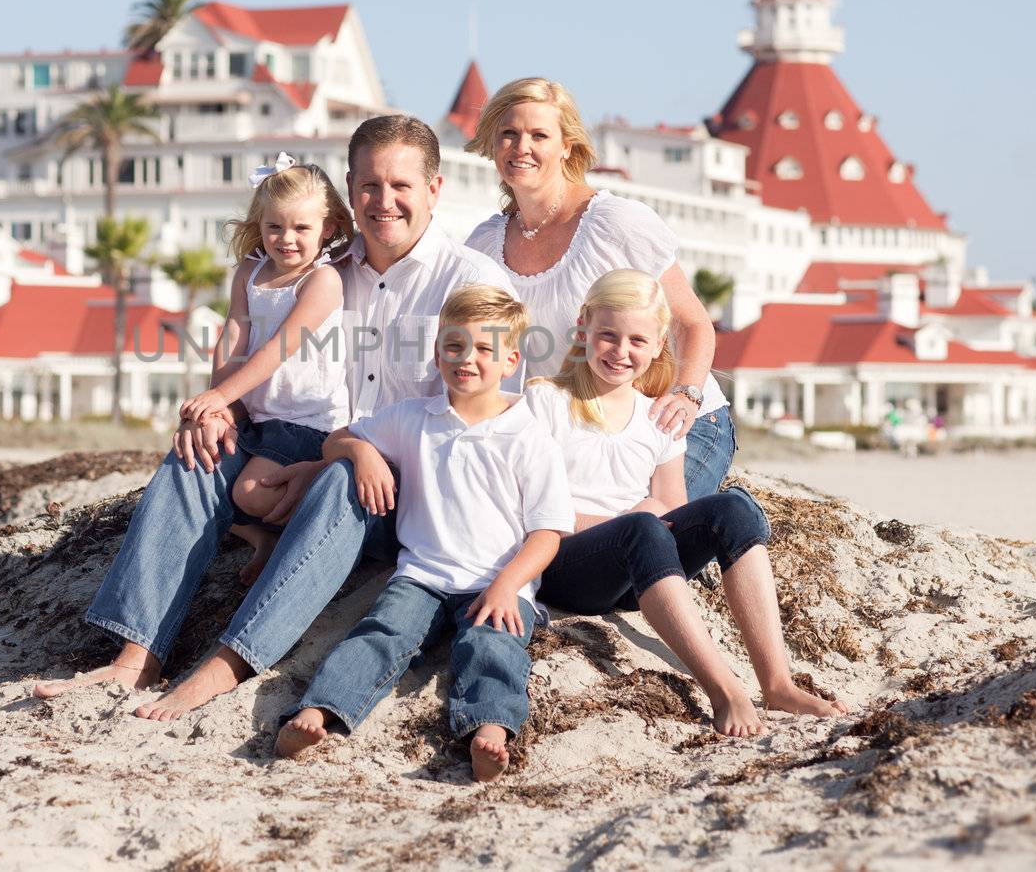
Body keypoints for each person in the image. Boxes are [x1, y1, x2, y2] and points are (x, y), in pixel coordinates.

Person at [33, 115, 511, 709]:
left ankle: (228, 662)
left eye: (400, 186)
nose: (383, 202)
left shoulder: (471, 281)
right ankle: (138, 655)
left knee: (342, 483)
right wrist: (217, 406)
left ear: (434, 189)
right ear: (348, 188)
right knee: (197, 455)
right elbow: (248, 334)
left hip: (396, 497)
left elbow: (479, 424)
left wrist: (336, 457)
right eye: (368, 186)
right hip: (298, 448)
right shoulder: (321, 268)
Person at [526, 268, 850, 736]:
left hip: (641, 572)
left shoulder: (656, 416)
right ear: (584, 331)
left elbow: (673, 512)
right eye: (608, 336)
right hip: (569, 567)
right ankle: (724, 691)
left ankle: (777, 683)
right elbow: (530, 510)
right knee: (641, 526)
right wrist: (628, 519)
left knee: (734, 507)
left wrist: (652, 520)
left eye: (638, 340)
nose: (621, 352)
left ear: (660, 345)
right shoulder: (546, 401)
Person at [275, 286, 572, 781]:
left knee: (492, 646)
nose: (466, 359)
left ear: (510, 360)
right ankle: (318, 712)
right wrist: (364, 452)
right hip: (422, 576)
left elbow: (547, 533)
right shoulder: (414, 417)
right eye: (454, 346)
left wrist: (506, 586)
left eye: (483, 349)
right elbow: (335, 442)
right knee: (380, 634)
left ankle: (490, 731)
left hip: (498, 581)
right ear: (437, 353)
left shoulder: (528, 436)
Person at [463, 77, 735, 498]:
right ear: (492, 143)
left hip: (670, 424)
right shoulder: (482, 245)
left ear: (566, 146)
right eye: (509, 134)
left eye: (539, 135)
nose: (522, 147)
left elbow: (694, 324)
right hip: (575, 432)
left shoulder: (616, 223)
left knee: (640, 529)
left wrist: (687, 395)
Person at [176, 154, 352, 585]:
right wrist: (219, 404)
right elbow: (233, 333)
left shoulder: (321, 280)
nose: (286, 238)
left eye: (301, 228)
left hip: (305, 419)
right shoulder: (249, 272)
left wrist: (220, 397)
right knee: (205, 473)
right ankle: (265, 540)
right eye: (275, 227)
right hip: (257, 413)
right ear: (261, 225)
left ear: (327, 229)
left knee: (249, 492)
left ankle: (316, 524)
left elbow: (281, 347)